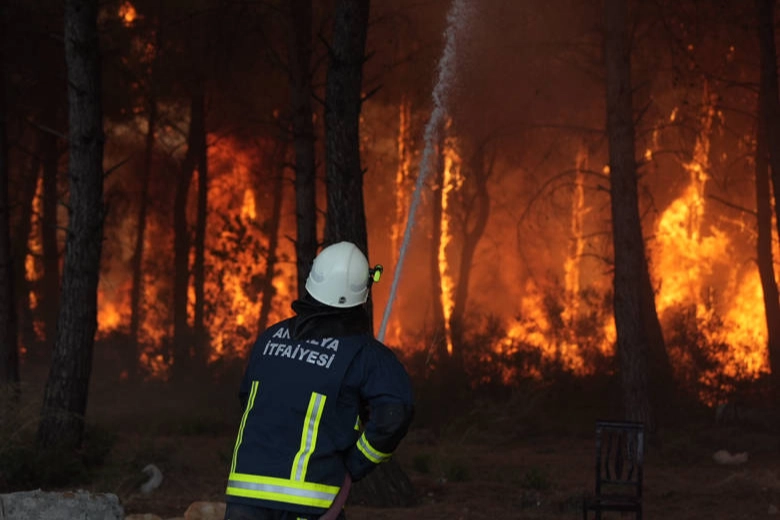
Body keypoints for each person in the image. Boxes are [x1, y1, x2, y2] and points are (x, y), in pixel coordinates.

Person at [223, 241, 415, 520]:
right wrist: (356, 462)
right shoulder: (365, 354)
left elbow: (248, 401)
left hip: (245, 495)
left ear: (312, 279)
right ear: (364, 290)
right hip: (308, 501)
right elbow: (395, 414)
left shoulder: (268, 339)